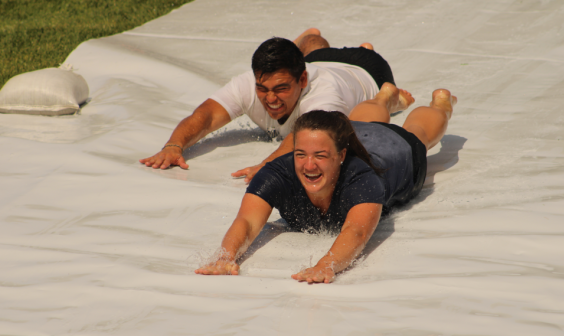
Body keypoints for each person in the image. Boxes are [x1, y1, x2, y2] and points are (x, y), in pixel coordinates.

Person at [195, 83, 457, 283]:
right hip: (355, 129)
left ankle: (441, 105)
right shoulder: (277, 174)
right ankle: (382, 98)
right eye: (301, 154)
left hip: (395, 147)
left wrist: (326, 265)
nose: (309, 166)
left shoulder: (362, 178)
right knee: (361, 122)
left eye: (320, 156)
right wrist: (225, 256)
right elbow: (247, 221)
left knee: (418, 133)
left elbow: (356, 231)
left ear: (342, 155)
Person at [140, 28, 414, 182]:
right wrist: (174, 145)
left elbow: (302, 137)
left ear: (302, 79)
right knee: (315, 45)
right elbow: (207, 115)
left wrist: (268, 163)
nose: (270, 99)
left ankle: (385, 88)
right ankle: (308, 41)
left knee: (367, 107)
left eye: (281, 89)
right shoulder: (249, 83)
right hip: (319, 58)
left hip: (366, 70)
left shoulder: (323, 94)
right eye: (263, 89)